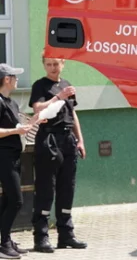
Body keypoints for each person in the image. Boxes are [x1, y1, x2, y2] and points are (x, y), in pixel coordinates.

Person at [29, 57, 87, 252]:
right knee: (46, 189)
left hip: (68, 140)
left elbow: (73, 114)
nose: (53, 68)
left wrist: (80, 140)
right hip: (49, 139)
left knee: (67, 188)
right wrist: (58, 97)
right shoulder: (40, 85)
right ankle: (41, 237)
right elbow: (37, 108)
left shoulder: (67, 84)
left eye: (56, 64)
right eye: (49, 64)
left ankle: (66, 235)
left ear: (63, 64)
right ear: (44, 65)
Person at [0, 63, 44, 259]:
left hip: (15, 156)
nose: (17, 79)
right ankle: (4, 244)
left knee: (8, 200)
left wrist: (34, 121)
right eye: (14, 76)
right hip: (3, 157)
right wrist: (16, 130)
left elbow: (19, 127)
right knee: (16, 201)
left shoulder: (12, 102)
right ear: (6, 79)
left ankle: (6, 240)